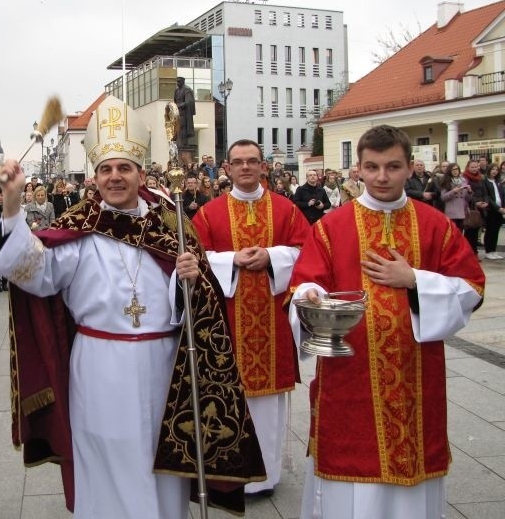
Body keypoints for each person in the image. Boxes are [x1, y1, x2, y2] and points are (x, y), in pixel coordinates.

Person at [0, 96, 264, 518]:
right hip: (100, 368)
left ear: (140, 173)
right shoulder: (77, 230)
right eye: (106, 169)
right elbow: (33, 272)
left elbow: (200, 303)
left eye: (124, 168)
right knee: (106, 454)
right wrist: (12, 206)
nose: (115, 177)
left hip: (164, 366)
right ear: (94, 177)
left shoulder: (171, 225)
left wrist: (190, 281)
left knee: (165, 459)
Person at [288, 125, 485, 519]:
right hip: (349, 374)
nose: (382, 176)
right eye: (372, 167)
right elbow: (306, 281)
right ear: (357, 169)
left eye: (393, 166)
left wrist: (414, 280)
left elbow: (472, 286)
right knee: (349, 478)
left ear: (409, 167)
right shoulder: (331, 227)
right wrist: (307, 296)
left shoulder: (435, 224)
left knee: (411, 473)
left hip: (416, 376)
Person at [192, 139, 311, 496]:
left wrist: (273, 257)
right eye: (238, 162)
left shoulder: (286, 209)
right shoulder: (209, 212)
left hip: (271, 323)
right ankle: (229, 472)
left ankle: (266, 477)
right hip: (224, 325)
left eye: (253, 161)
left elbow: (307, 253)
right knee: (226, 398)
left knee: (266, 404)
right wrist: (232, 260)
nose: (246, 167)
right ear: (226, 169)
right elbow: (194, 259)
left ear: (264, 167)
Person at [462, 159, 487, 254]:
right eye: (472, 167)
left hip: (481, 206)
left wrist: (485, 202)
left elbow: (485, 191)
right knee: (470, 230)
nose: (474, 169)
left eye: (476, 167)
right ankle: (469, 252)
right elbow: (467, 194)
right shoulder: (464, 178)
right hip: (470, 206)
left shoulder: (481, 177)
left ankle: (474, 251)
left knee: (477, 230)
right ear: (468, 167)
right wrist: (475, 202)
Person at [481, 163, 505, 260]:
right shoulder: (485, 181)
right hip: (491, 209)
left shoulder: (498, 181)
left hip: (500, 209)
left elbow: (502, 195)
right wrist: (497, 208)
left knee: (496, 230)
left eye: (496, 169)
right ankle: (488, 251)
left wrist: (502, 207)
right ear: (489, 170)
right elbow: (488, 197)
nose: (494, 171)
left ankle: (493, 250)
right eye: (493, 169)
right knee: (490, 230)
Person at [439, 163, 470, 231]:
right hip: (451, 212)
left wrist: (469, 191)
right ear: (449, 171)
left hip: (462, 211)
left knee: (460, 234)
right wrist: (454, 191)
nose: (455, 171)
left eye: (456, 169)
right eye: (452, 170)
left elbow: (467, 198)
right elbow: (443, 197)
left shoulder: (463, 180)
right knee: (452, 234)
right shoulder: (446, 181)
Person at [174, 76, 196, 148]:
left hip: (184, 114)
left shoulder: (187, 89)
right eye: (177, 81)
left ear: (183, 81)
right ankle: (179, 143)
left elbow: (189, 102)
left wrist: (179, 105)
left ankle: (183, 144)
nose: (177, 83)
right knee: (177, 128)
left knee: (183, 128)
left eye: (179, 81)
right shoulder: (176, 91)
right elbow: (175, 101)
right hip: (177, 113)